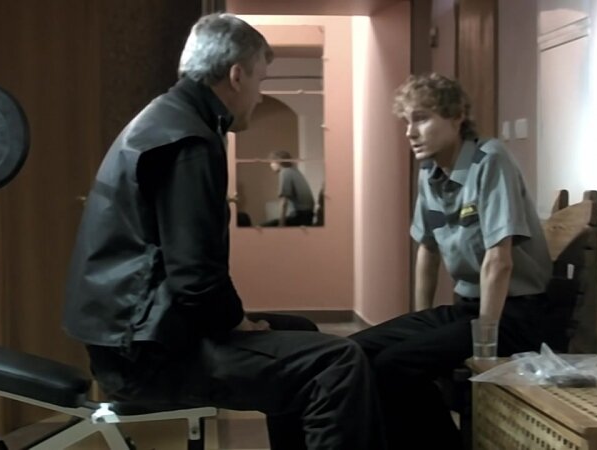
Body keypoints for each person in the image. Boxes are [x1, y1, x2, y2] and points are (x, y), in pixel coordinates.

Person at [62, 13, 385, 450]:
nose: (260, 95)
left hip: (134, 341)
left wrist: (237, 321)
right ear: (236, 75)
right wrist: (237, 322)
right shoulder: (189, 140)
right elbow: (195, 277)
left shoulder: (167, 118)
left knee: (303, 331)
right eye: (260, 80)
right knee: (338, 363)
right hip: (145, 358)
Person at [350, 73, 568, 450]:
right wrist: (421, 319)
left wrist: (486, 340)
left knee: (394, 365)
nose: (410, 132)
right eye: (406, 121)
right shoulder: (430, 172)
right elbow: (427, 249)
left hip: (515, 315)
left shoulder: (490, 160)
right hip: (467, 308)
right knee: (355, 351)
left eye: (421, 119)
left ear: (456, 117)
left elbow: (499, 260)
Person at [261, 150, 315, 226]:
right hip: (307, 215)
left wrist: (281, 224)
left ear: (279, 162)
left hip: (301, 216)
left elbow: (284, 202)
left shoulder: (285, 172)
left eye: (272, 162)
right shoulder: (294, 171)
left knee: (263, 227)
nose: (271, 165)